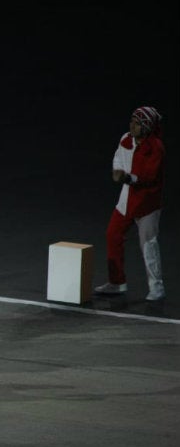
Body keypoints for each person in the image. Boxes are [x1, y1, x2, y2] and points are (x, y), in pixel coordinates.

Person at [95, 106, 166, 301]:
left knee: (148, 245)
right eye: (132, 121)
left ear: (146, 127)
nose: (131, 125)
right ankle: (117, 283)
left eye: (136, 123)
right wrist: (116, 170)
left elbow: (149, 177)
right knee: (113, 235)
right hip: (126, 201)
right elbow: (118, 157)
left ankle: (156, 287)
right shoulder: (126, 139)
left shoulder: (156, 148)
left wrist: (127, 177)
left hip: (147, 204)